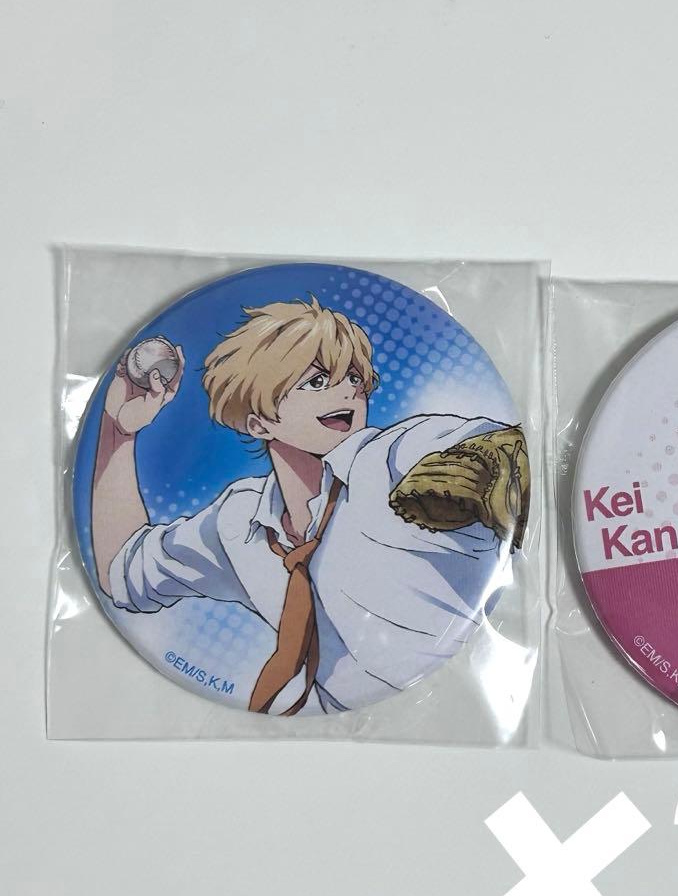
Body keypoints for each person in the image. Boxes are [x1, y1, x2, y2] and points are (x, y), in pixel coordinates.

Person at [92, 297, 528, 716]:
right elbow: (121, 572)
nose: (347, 393)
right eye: (317, 382)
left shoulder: (389, 458)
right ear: (258, 422)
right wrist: (118, 432)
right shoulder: (238, 522)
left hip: (464, 699)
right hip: (325, 734)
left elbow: (501, 450)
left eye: (354, 378)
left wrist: (486, 464)